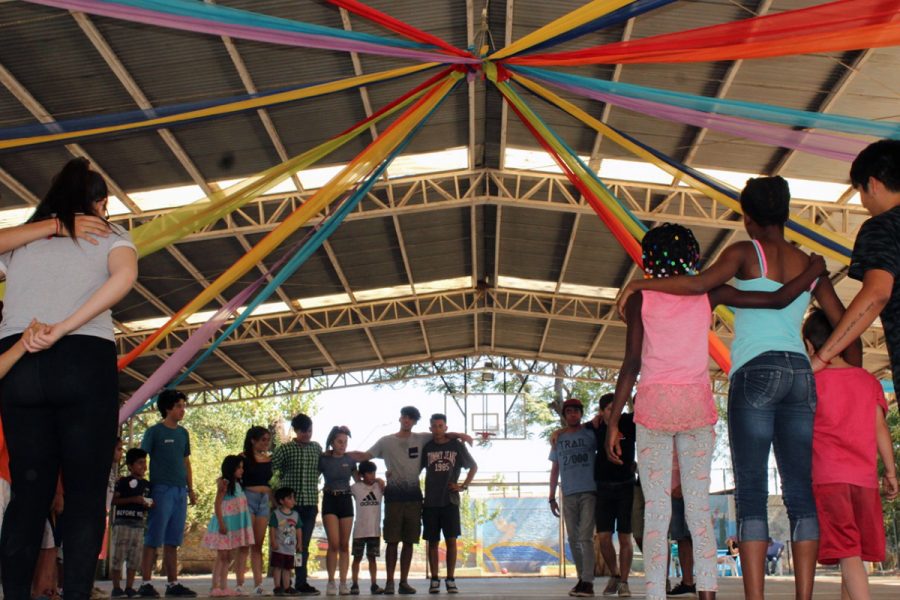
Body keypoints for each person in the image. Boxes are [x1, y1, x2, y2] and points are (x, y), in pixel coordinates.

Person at [617, 180, 846, 600]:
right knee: (796, 489)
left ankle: (732, 596)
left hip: (733, 380)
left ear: (747, 218)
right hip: (792, 375)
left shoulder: (739, 255)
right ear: (788, 212)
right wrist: (823, 353)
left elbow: (692, 288)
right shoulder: (803, 263)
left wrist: (640, 286)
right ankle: (778, 595)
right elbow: (833, 322)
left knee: (741, 492)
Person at [0, 157, 138, 600]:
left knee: (28, 495)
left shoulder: (24, 242)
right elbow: (125, 278)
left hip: (20, 361)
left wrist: (50, 227)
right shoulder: (110, 234)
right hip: (82, 359)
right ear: (99, 204)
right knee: (83, 495)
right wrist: (64, 326)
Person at [803, 308, 899, 599]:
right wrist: (892, 473)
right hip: (865, 481)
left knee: (848, 554)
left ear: (808, 346)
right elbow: (880, 428)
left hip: (830, 479)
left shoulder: (810, 383)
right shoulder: (867, 380)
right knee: (853, 553)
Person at [349, 407, 470, 595]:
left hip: (414, 499)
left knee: (409, 542)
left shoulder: (422, 438)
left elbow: (441, 433)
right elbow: (364, 456)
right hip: (393, 499)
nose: (407, 420)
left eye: (411, 418)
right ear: (400, 418)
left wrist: (461, 434)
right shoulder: (386, 441)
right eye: (405, 417)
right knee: (392, 541)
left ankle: (403, 582)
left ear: (414, 422)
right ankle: (390, 582)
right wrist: (339, 454)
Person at [811, 140, 900, 384]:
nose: (863, 203)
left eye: (860, 192)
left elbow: (876, 293)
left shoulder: (882, 226)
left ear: (872, 184)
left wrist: (822, 357)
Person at [138, 390, 197, 598]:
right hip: (160, 489)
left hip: (180, 490)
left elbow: (186, 462)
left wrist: (191, 489)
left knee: (173, 539)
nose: (183, 409)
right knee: (153, 537)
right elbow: (141, 460)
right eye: (179, 405)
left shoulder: (183, 433)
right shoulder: (154, 432)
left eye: (183, 405)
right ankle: (145, 583)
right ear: (167, 408)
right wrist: (141, 488)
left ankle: (172, 584)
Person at [421, 414, 477, 595]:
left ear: (445, 427)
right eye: (434, 426)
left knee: (451, 541)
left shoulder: (456, 446)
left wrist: (463, 486)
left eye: (440, 426)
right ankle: (435, 579)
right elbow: (416, 469)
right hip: (430, 502)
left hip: (450, 501)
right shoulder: (427, 447)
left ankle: (451, 578)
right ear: (430, 429)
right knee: (432, 542)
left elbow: (473, 466)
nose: (437, 429)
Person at [549, 398, 597, 598]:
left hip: (589, 491)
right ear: (564, 415)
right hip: (568, 493)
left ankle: (588, 581)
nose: (572, 414)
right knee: (573, 538)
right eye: (569, 411)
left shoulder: (589, 433)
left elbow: (603, 416)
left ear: (581, 414)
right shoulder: (557, 439)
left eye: (576, 411)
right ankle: (581, 579)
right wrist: (551, 496)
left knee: (585, 537)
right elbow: (555, 468)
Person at [271, 414, 321, 596]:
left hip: (310, 504)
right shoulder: (285, 449)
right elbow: (272, 468)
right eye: (303, 431)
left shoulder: (316, 448)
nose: (307, 434)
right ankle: (285, 583)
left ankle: (301, 582)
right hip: (290, 508)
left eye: (309, 430)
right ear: (296, 430)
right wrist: (275, 497)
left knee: (302, 546)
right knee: (285, 545)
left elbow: (324, 465)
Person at [590, 393, 635, 598]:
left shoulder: (628, 421)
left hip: (626, 487)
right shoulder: (596, 426)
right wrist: (559, 431)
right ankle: (615, 575)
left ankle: (624, 581)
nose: (614, 412)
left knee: (626, 537)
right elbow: (576, 429)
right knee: (604, 537)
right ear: (601, 412)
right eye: (609, 409)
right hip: (603, 488)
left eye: (617, 407)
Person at [202, 456, 254, 597]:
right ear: (231, 468)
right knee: (222, 556)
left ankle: (224, 586)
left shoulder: (237, 485)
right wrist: (221, 523)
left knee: (228, 557)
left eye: (242, 467)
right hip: (224, 525)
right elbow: (217, 504)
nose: (242, 470)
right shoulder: (224, 484)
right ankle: (215, 586)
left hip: (232, 526)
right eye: (239, 467)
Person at [319, 426, 356, 596]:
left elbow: (359, 480)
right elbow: (313, 475)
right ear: (332, 442)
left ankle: (343, 583)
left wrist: (377, 479)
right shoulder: (324, 459)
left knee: (344, 545)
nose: (343, 445)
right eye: (340, 442)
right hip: (330, 499)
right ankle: (331, 581)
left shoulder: (350, 460)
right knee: (333, 544)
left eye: (345, 442)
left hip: (346, 500)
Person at [110, 448, 152, 598]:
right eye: (140, 463)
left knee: (134, 558)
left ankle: (129, 587)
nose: (144, 466)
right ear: (130, 466)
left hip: (139, 525)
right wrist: (132, 500)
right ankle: (116, 588)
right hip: (122, 523)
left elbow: (152, 503)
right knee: (118, 556)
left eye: (145, 463)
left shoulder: (147, 485)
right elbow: (114, 500)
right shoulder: (123, 482)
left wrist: (149, 503)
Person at [241, 427, 274, 596]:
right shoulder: (243, 458)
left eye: (268, 440)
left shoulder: (270, 460)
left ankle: (258, 584)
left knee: (258, 544)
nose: (266, 443)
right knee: (245, 542)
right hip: (248, 498)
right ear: (253, 440)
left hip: (265, 500)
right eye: (263, 439)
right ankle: (239, 584)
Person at [350, 461, 384, 596]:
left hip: (374, 530)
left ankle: (374, 584)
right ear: (362, 475)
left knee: (372, 558)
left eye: (374, 472)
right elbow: (352, 473)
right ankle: (354, 584)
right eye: (369, 473)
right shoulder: (355, 487)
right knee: (357, 558)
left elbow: (386, 485)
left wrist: (380, 479)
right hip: (359, 530)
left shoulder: (379, 487)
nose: (372, 475)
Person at [269, 488, 302, 597]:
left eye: (293, 498)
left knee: (288, 568)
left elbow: (298, 529)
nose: (293, 500)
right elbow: (272, 528)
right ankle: (277, 587)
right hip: (279, 547)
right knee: (277, 567)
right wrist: (273, 541)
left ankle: (287, 587)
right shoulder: (276, 514)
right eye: (289, 498)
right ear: (281, 501)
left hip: (291, 549)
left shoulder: (296, 515)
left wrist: (299, 543)